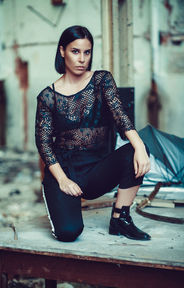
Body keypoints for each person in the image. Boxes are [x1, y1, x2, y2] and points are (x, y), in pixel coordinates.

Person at [35, 25, 151, 242]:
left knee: (138, 150)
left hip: (97, 171)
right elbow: (43, 144)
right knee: (69, 232)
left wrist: (140, 147)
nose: (82, 59)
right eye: (75, 51)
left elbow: (120, 115)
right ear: (62, 51)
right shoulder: (47, 97)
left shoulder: (101, 81)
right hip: (64, 173)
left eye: (86, 52)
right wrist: (62, 180)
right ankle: (54, 197)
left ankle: (120, 218)